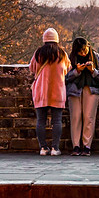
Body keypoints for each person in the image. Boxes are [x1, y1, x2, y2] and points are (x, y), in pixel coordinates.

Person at [29, 28, 70, 156]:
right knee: (57, 120)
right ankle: (55, 148)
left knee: (40, 120)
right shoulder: (62, 54)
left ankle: (43, 148)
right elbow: (67, 69)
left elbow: (32, 68)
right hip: (57, 91)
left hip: (41, 91)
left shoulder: (38, 53)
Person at [65, 37, 99, 156]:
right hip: (74, 90)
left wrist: (93, 71)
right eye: (80, 51)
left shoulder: (96, 57)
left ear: (88, 47)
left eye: (84, 50)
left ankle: (87, 145)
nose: (83, 53)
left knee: (89, 117)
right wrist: (77, 71)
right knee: (75, 117)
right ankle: (76, 145)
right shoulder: (70, 58)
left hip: (91, 89)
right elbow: (65, 77)